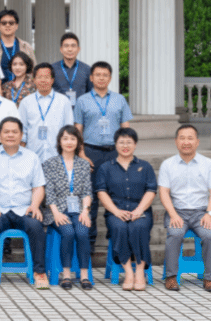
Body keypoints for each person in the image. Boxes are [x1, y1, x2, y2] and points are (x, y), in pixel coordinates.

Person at [0, 117, 49, 289]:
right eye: (6, 132)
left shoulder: (31, 157)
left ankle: (39, 272)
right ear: (0, 135)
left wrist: (35, 205)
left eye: (14, 132)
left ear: (21, 135)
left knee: (36, 226)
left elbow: (38, 187)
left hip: (24, 209)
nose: (10, 135)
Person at [73, 61, 132, 249]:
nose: (101, 78)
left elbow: (126, 129)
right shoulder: (82, 101)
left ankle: (116, 242)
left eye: (105, 75)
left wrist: (125, 154)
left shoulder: (119, 100)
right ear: (91, 78)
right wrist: (81, 153)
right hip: (90, 152)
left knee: (116, 195)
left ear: (110, 78)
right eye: (97, 75)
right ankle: (88, 244)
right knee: (90, 197)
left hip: (114, 153)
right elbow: (78, 129)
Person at [158, 124, 211, 293]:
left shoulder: (208, 164)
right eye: (182, 138)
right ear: (176, 141)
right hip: (177, 211)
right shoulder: (168, 164)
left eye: (190, 138)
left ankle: (208, 278)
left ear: (197, 142)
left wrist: (209, 214)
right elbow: (163, 192)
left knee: (209, 236)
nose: (186, 142)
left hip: (201, 212)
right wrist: (173, 214)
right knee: (175, 234)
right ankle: (171, 277)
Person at [95, 127, 156, 292]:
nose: (125, 146)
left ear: (135, 144)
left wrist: (139, 210)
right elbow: (101, 192)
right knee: (120, 228)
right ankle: (129, 272)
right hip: (116, 212)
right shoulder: (106, 168)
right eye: (121, 142)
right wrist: (116, 211)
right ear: (115, 144)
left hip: (140, 211)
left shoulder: (145, 166)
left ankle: (139, 272)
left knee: (139, 227)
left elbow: (151, 191)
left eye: (129, 142)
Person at [42, 126, 94, 290]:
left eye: (72, 138)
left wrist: (85, 211)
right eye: (65, 138)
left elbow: (87, 191)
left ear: (78, 142)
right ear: (59, 141)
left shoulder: (84, 164)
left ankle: (84, 275)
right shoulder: (50, 164)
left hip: (78, 209)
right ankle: (66, 275)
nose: (69, 142)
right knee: (68, 232)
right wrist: (56, 213)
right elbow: (49, 192)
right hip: (56, 210)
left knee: (82, 232)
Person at [18, 63, 75, 163]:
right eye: (40, 77)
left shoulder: (64, 101)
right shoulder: (26, 102)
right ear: (34, 80)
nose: (43, 80)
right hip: (32, 157)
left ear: (52, 80)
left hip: (57, 156)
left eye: (46, 77)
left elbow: (69, 129)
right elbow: (22, 130)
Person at [0, 9, 36, 83]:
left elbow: (34, 71)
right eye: (4, 23)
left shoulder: (26, 47)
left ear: (16, 26)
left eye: (11, 23)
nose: (7, 25)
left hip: (23, 88)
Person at [52, 32, 93, 105]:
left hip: (80, 110)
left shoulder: (87, 69)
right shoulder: (52, 69)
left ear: (78, 49)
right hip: (58, 110)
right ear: (61, 49)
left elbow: (91, 93)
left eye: (73, 46)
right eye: (66, 46)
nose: (70, 49)